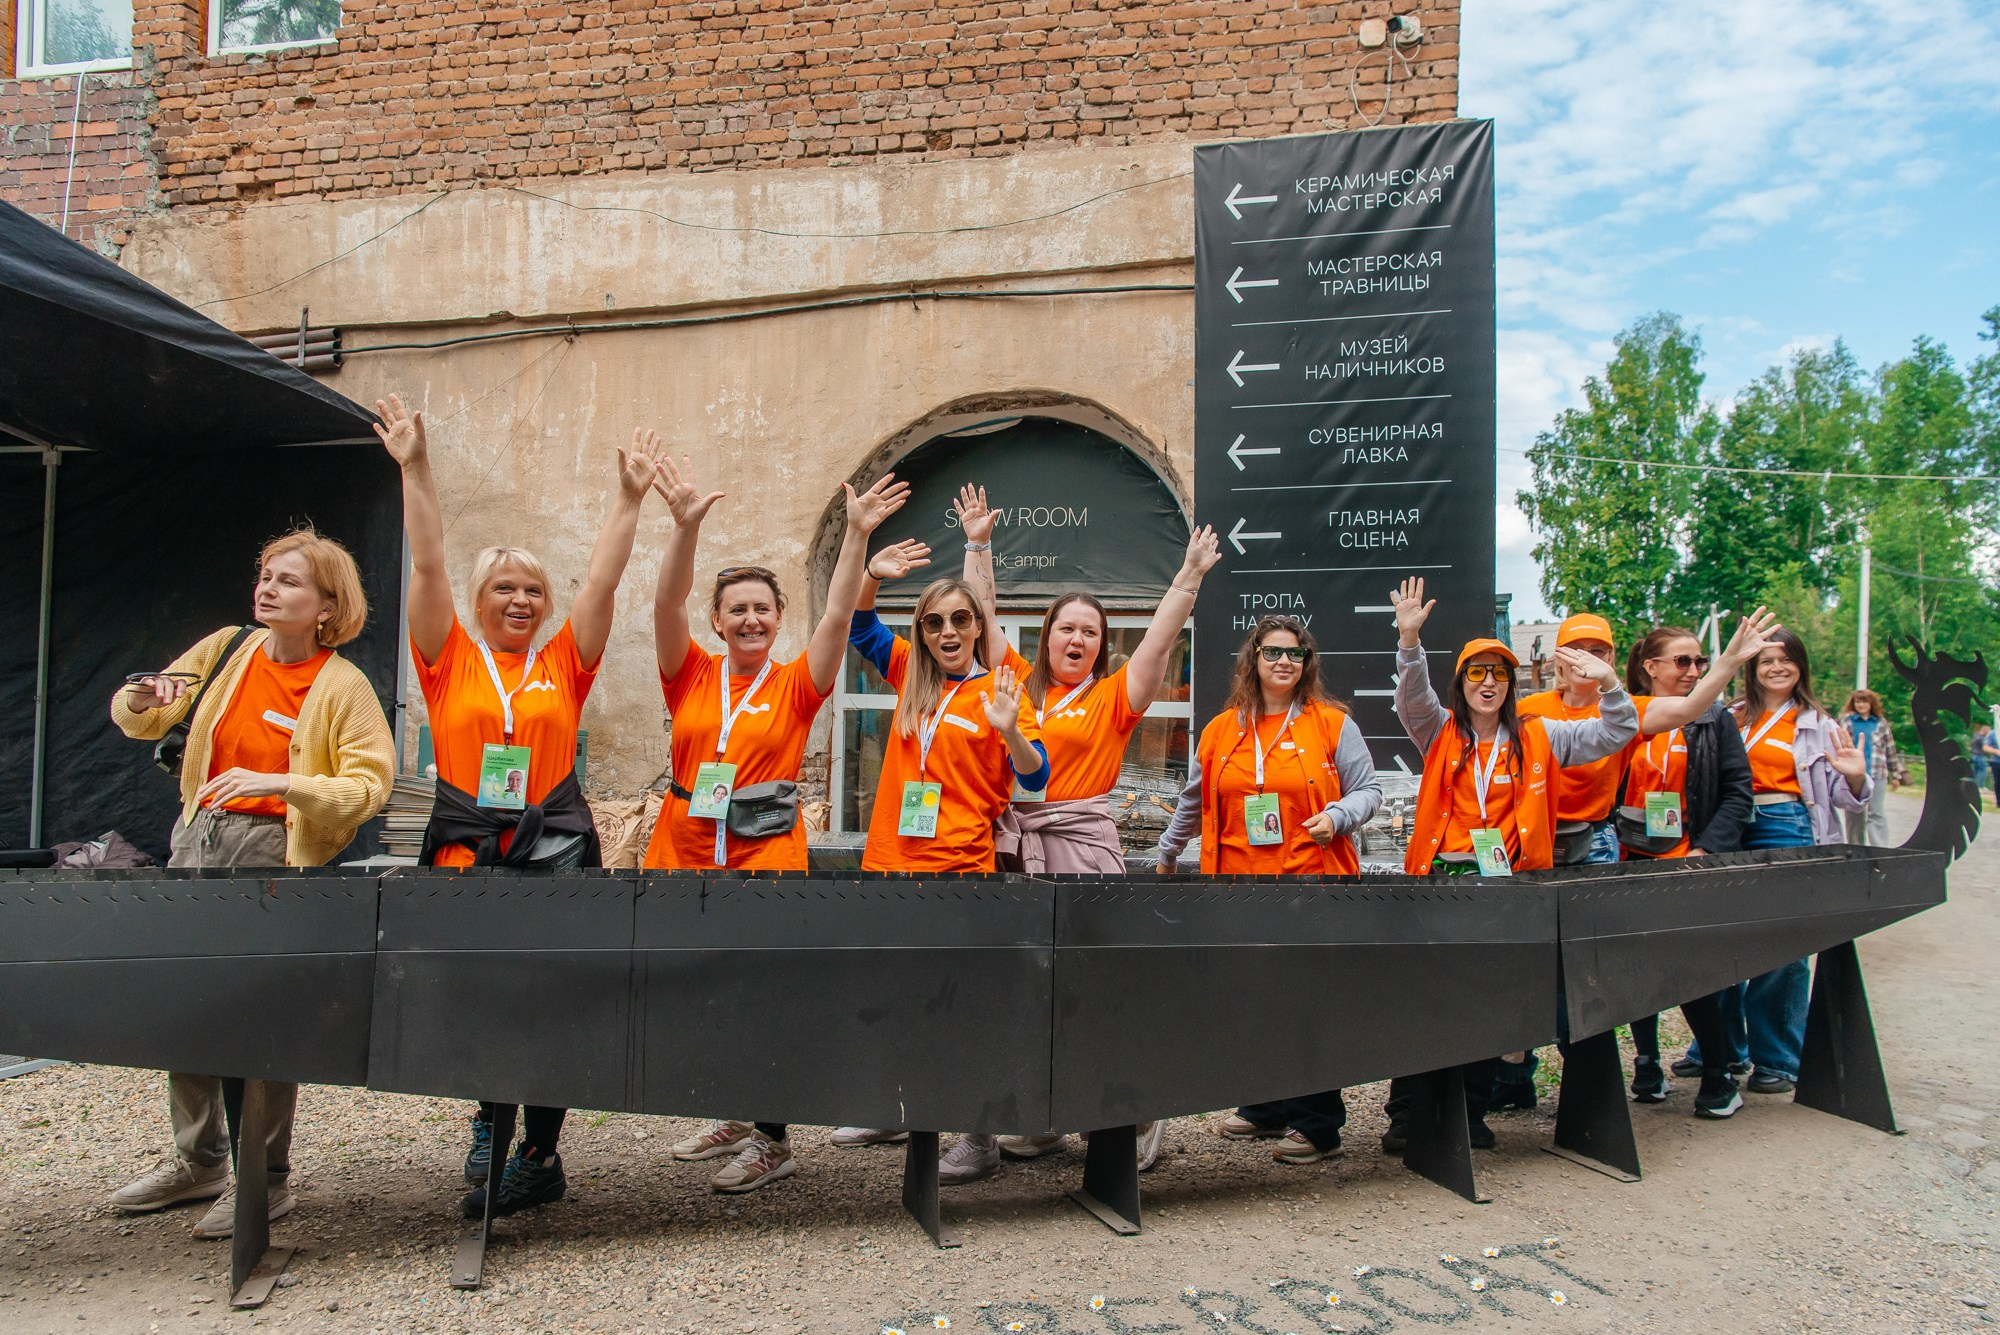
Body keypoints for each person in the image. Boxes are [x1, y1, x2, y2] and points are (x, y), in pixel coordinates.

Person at [377, 393, 660, 1219]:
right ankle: (485, 1115)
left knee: (554, 996)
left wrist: (628, 498)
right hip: (467, 849)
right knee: (479, 991)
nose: (520, 600)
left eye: (533, 589)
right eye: (504, 587)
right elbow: (428, 564)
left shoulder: (565, 662)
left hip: (553, 850)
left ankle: (539, 1153)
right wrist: (415, 465)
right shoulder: (447, 660)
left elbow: (603, 579)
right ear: (479, 599)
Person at [107, 529, 393, 1238]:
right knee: (187, 998)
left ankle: (265, 1180)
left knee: (261, 1012)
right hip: (196, 837)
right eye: (265, 574)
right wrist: (142, 694)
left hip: (276, 852)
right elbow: (141, 716)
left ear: (328, 606)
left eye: (288, 580)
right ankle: (199, 1161)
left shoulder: (343, 685)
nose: (268, 587)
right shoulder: (227, 648)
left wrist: (282, 783)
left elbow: (369, 787)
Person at [644, 458, 914, 1192]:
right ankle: (736, 1111)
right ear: (717, 620)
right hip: (686, 848)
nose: (750, 620)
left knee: (762, 995)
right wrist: (685, 528)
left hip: (764, 853)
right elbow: (665, 602)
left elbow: (838, 618)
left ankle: (773, 1138)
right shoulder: (689, 673)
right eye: (737, 609)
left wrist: (856, 535)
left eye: (762, 609)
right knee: (700, 992)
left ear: (778, 616)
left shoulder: (797, 683)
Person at [954, 486, 1220, 1172]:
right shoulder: (1016, 683)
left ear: (1102, 646)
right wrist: (978, 545)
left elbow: (1158, 642)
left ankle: (1137, 1112)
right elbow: (982, 616)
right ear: (1046, 636)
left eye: (1090, 632)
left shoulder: (1113, 697)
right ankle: (1045, 1120)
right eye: (1066, 628)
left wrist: (1188, 577)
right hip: (1018, 850)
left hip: (1081, 850)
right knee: (1025, 988)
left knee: (1094, 987)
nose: (1076, 639)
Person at [1382, 577, 1637, 1152]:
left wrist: (1610, 682)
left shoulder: (1540, 735)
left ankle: (1470, 1113)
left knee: (1487, 1001)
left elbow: (1616, 731)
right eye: (1477, 672)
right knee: (1429, 999)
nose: (1488, 682)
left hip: (1506, 890)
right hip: (1443, 885)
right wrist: (1409, 642)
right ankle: (1407, 1117)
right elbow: (1411, 700)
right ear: (1462, 683)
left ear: (1511, 684)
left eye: (1499, 673)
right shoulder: (1439, 730)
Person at [1493, 608, 1778, 1111]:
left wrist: (1730, 661)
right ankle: (1515, 1079)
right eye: (1577, 649)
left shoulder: (1625, 708)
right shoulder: (1530, 709)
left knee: (1596, 967)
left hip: (1597, 846)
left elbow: (1690, 708)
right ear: (1558, 657)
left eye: (1599, 650)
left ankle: (1592, 1090)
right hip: (1533, 846)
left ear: (1611, 657)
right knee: (1525, 963)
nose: (1587, 658)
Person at [830, 558, 1050, 1182]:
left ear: (979, 626)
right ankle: (892, 1109)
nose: (947, 632)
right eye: (934, 623)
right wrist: (872, 573)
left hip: (960, 869)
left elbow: (1036, 776)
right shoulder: (910, 674)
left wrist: (1009, 732)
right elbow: (861, 626)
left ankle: (978, 1135)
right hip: (891, 861)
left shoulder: (1003, 688)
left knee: (959, 1004)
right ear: (922, 632)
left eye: (959, 620)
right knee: (893, 994)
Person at [1155, 616, 1383, 1165]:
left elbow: (1369, 790)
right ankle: (1265, 1106)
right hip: (1236, 888)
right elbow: (1193, 799)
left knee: (1305, 1001)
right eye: (1273, 651)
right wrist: (1167, 852)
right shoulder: (1220, 730)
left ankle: (1317, 1125)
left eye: (1295, 653)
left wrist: (1338, 816)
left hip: (1310, 887)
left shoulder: (1332, 725)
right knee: (1252, 995)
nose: (1284, 661)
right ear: (1252, 658)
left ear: (1307, 664)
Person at [1677, 631, 1869, 1097]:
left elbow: (1844, 798)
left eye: (1786, 660)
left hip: (1784, 823)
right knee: (1718, 939)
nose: (1776, 668)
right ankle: (1721, 1049)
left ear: (1801, 666)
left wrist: (1856, 776)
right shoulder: (1730, 714)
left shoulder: (1818, 723)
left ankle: (1777, 1058)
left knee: (1781, 944)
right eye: (1766, 661)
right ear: (1752, 668)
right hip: (1726, 825)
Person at [1616, 625, 1757, 1118]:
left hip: (1687, 863)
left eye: (1699, 662)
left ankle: (1718, 1073)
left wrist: (1705, 849)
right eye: (1682, 661)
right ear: (1650, 667)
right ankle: (1647, 1064)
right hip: (1632, 862)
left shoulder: (1714, 720)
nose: (1694, 670)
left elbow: (1739, 792)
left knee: (1692, 971)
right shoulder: (1625, 715)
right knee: (1636, 967)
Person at [1841, 688, 1905, 846]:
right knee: (1854, 812)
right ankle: (1855, 848)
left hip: (1877, 773)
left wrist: (1896, 775)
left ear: (1871, 704)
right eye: (1858, 702)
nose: (1861, 705)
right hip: (1854, 776)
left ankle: (1880, 847)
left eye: (1864, 702)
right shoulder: (1847, 722)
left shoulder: (1880, 723)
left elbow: (1890, 750)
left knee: (1876, 812)